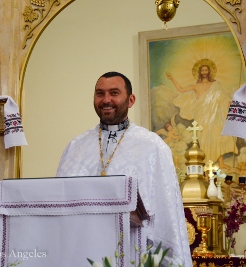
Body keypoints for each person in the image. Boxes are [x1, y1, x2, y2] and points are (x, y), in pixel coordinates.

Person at [56, 71, 192, 267]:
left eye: (114, 93)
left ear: (131, 99)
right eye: (99, 93)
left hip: (132, 254)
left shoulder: (152, 146)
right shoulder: (76, 147)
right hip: (81, 252)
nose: (106, 100)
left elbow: (167, 212)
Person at [166, 59, 236, 170]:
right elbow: (181, 89)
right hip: (201, 115)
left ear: (209, 72)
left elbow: (223, 97)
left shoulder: (216, 84)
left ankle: (220, 162)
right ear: (200, 72)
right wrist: (172, 79)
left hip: (214, 115)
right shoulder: (196, 85)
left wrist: (228, 102)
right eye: (202, 70)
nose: (204, 71)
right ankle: (207, 163)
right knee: (203, 139)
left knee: (217, 136)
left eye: (206, 70)